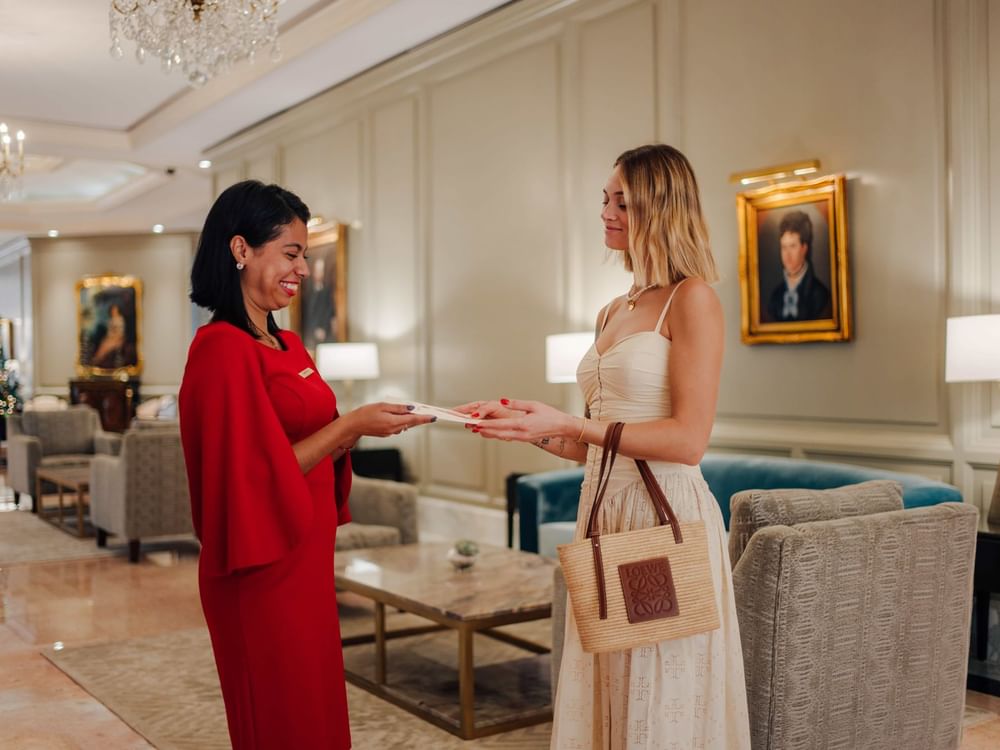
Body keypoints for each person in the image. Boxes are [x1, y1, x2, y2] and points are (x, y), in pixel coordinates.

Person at [459, 145, 750, 749]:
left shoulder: (692, 299)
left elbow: (688, 441)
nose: (606, 212)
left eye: (622, 200)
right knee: (612, 684)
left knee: (654, 683)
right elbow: (595, 443)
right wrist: (526, 424)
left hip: (657, 518)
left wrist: (573, 422)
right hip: (604, 513)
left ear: (659, 206)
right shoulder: (612, 310)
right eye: (604, 199)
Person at [178, 180, 434, 750]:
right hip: (258, 564)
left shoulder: (289, 346)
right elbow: (249, 477)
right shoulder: (220, 349)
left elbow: (311, 443)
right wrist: (351, 426)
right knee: (278, 716)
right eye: (291, 254)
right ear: (241, 249)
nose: (303, 270)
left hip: (306, 554)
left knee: (314, 707)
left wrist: (366, 427)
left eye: (306, 256)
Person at [765, 209, 831, 322]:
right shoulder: (775, 297)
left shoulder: (820, 295)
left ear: (804, 248)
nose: (787, 255)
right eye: (784, 247)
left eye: (792, 246)